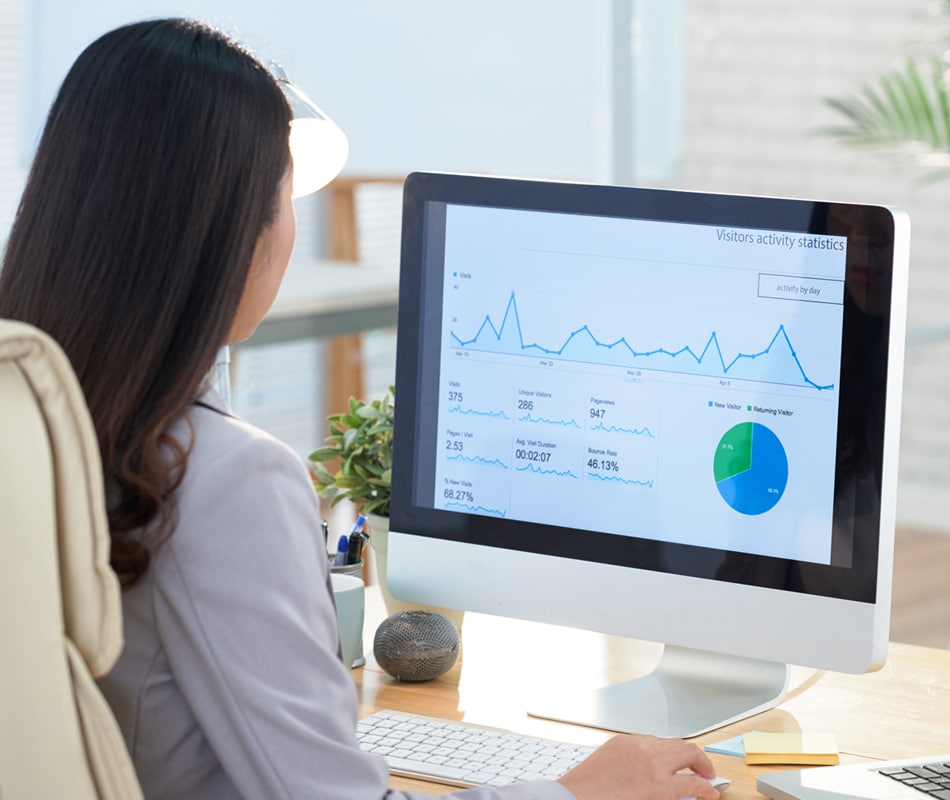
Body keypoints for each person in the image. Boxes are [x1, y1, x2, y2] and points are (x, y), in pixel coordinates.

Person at [0, 18, 718, 800]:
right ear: (234, 232)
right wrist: (580, 794)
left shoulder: (44, 418)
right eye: (283, 193)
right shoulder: (225, 478)